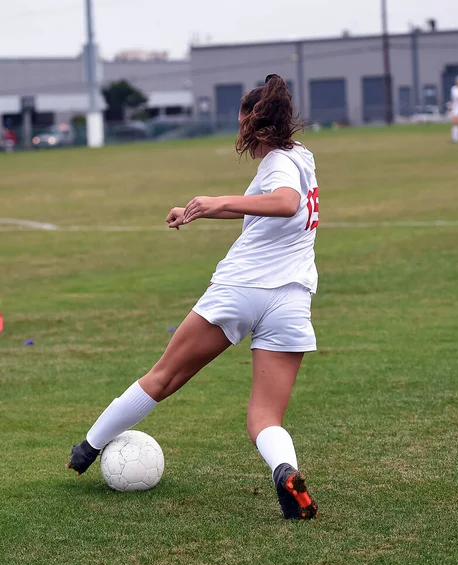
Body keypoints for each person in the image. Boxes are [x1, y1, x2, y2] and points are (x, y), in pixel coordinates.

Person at [68, 74, 319, 520]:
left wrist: (217, 202)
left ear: (251, 122)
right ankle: (286, 472)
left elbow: (284, 203)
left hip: (240, 291)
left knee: (163, 377)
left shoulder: (278, 166)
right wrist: (195, 211)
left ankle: (87, 446)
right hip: (292, 300)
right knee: (264, 417)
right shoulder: (302, 157)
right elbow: (268, 215)